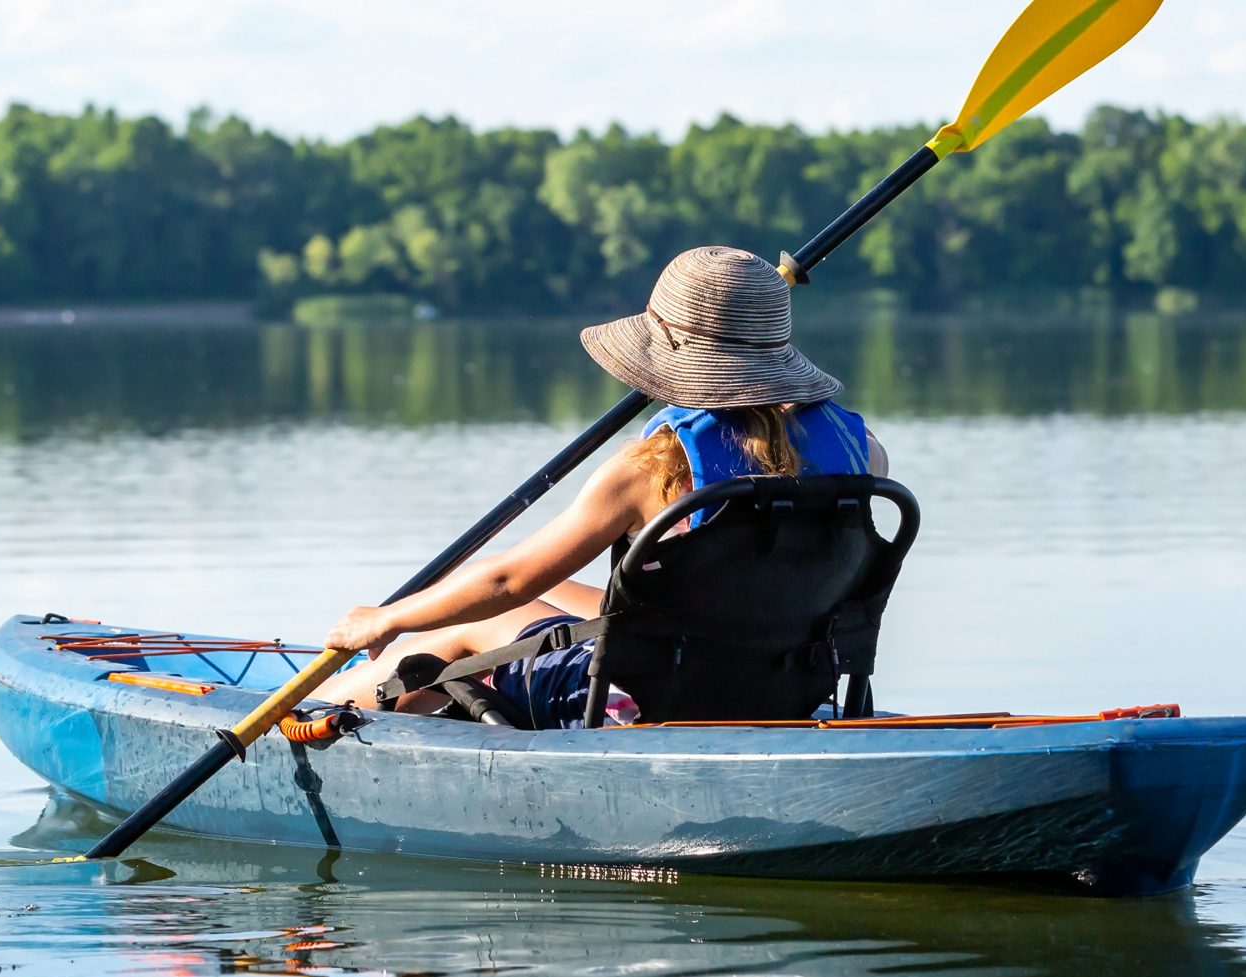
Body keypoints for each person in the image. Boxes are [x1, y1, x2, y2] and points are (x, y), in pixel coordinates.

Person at [327, 245, 891, 729]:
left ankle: (304, 714)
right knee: (531, 591)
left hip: (641, 702)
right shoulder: (863, 453)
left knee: (476, 619)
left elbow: (510, 580)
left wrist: (386, 619)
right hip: (784, 686)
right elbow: (747, 579)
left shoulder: (653, 466)